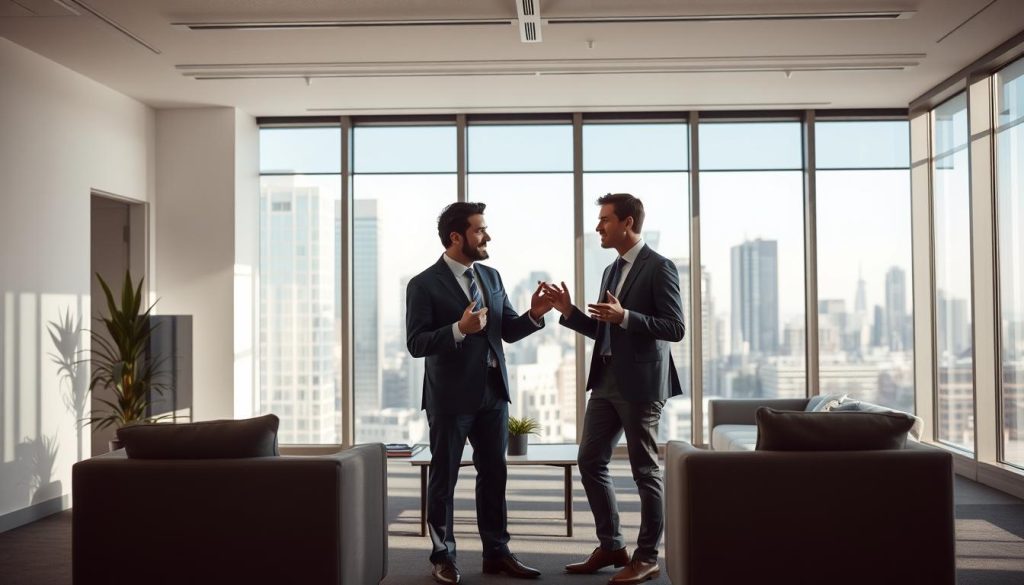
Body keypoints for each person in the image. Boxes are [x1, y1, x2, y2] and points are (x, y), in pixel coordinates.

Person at [406, 201, 552, 584]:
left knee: (495, 474)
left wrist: (535, 314)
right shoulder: (423, 284)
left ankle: (497, 552)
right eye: (479, 230)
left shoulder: (491, 276)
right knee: (444, 478)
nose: (487, 236)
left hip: (492, 394)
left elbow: (506, 330)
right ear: (457, 237)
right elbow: (416, 343)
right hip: (451, 398)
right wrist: (458, 329)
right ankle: (443, 556)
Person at [543, 193, 685, 585]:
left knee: (644, 471)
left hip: (641, 384)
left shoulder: (660, 267)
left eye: (605, 220)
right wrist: (569, 312)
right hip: (605, 381)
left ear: (627, 222)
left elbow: (675, 328)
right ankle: (611, 546)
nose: (598, 227)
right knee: (590, 460)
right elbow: (605, 329)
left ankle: (647, 557)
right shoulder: (610, 271)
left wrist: (627, 317)